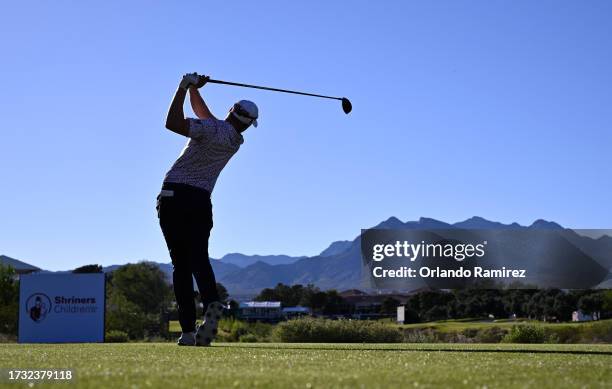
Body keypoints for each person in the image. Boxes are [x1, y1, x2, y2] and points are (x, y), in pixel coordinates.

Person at [158, 72, 259, 346]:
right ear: (249, 125)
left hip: (174, 196)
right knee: (199, 259)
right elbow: (208, 118)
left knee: (181, 265)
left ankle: (188, 332)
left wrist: (181, 87)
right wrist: (194, 89)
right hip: (201, 201)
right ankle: (212, 303)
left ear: (230, 111)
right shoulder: (235, 140)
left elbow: (172, 123)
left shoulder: (211, 129)